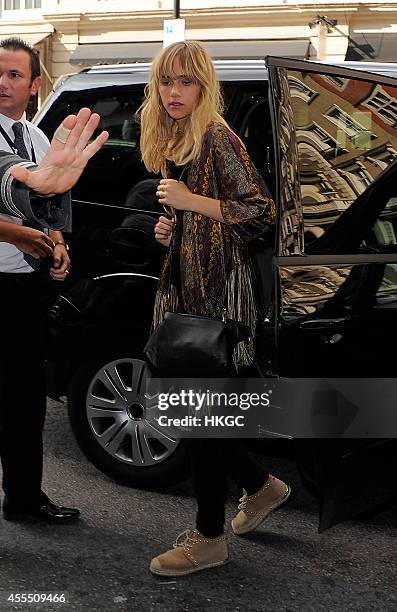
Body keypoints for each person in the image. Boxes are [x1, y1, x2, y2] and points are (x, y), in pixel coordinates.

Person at [138, 40, 291, 577]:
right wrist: (172, 231)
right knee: (199, 417)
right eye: (166, 81)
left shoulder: (217, 137)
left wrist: (190, 203)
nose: (174, 92)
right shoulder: (180, 140)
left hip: (218, 302)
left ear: (204, 86)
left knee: (201, 421)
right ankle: (261, 486)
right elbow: (202, 225)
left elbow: (261, 213)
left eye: (185, 81)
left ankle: (208, 538)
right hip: (188, 296)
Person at [0, 36, 109, 524]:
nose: (2, 83)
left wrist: (57, 246)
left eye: (14, 75)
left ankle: (24, 498)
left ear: (34, 85)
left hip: (26, 291)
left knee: (25, 399)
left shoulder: (41, 139)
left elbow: (53, 213)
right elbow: (17, 178)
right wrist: (21, 232)